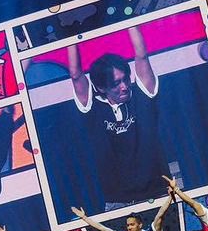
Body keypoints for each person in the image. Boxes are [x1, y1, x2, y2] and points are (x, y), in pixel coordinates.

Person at [68, 26, 168, 210]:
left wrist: (130, 19)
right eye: (116, 83)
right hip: (118, 203)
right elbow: (75, 74)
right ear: (101, 87)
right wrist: (68, 36)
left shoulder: (142, 96)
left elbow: (141, 56)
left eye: (125, 79)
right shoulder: (93, 109)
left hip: (157, 194)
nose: (124, 86)